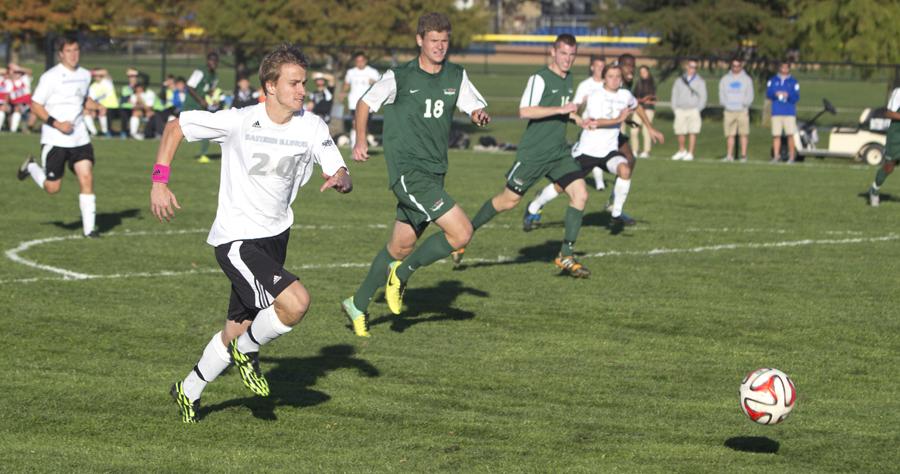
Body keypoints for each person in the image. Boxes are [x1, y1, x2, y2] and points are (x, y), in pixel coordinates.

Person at [151, 44, 353, 423]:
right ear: (270, 86)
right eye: (294, 83)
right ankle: (248, 352)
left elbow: (339, 170)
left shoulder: (311, 126)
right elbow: (175, 126)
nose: (302, 90)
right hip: (236, 239)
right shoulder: (239, 120)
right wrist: (159, 182)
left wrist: (341, 178)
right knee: (295, 303)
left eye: (304, 83)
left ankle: (188, 390)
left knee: (236, 327)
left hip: (275, 237)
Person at [341, 12, 490, 334]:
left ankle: (357, 303)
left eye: (444, 41)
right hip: (409, 172)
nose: (440, 46)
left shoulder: (455, 75)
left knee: (399, 247)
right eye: (433, 40)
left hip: (435, 171)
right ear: (420, 41)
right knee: (461, 233)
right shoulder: (400, 76)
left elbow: (473, 105)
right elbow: (365, 104)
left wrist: (479, 114)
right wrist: (360, 140)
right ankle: (402, 275)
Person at [453, 34, 592, 277]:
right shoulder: (539, 78)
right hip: (534, 154)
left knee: (580, 194)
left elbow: (562, 110)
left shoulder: (568, 78)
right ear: (553, 52)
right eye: (563, 54)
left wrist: (577, 118)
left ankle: (566, 255)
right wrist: (562, 109)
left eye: (572, 55)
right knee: (509, 201)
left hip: (558, 153)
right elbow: (524, 111)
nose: (568, 59)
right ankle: (465, 234)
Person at [524, 65, 663, 229]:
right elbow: (595, 123)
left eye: (618, 76)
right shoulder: (596, 96)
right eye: (611, 76)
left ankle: (616, 214)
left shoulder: (625, 95)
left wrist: (650, 128)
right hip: (587, 151)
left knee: (625, 169)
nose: (615, 79)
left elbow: (636, 106)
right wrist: (619, 119)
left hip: (609, 151)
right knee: (561, 186)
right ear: (604, 79)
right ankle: (533, 206)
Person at [16, 36, 101, 238]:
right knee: (53, 188)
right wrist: (57, 124)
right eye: (69, 51)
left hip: (80, 137)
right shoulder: (50, 77)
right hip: (55, 139)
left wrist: (96, 105)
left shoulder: (84, 75)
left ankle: (89, 230)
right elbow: (36, 105)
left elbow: (82, 98)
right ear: (61, 53)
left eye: (76, 50)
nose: (74, 55)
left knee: (86, 176)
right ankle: (31, 167)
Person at [573, 55, 607, 190]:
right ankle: (598, 183)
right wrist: (583, 102)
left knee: (602, 154)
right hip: (589, 125)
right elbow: (576, 109)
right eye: (598, 66)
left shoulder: (609, 83)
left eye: (603, 67)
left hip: (606, 125)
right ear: (592, 67)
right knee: (591, 154)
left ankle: (601, 183)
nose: (600, 69)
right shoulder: (585, 85)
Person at [867, 85, 900, 207]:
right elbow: (889, 113)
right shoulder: (898, 92)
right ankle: (874, 190)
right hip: (897, 136)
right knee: (889, 167)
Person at [184, 52, 220, 162]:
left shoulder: (215, 76)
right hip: (191, 105)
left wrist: (214, 100)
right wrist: (200, 100)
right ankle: (165, 158)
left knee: (206, 129)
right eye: (211, 60)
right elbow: (189, 86)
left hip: (202, 106)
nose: (213, 62)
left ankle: (203, 155)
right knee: (179, 131)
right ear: (207, 61)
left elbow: (210, 91)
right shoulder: (200, 71)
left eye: (215, 61)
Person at [719, 58, 754, 162]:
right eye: (733, 66)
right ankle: (729, 155)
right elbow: (721, 93)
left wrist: (744, 104)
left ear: (741, 66)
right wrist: (725, 104)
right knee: (730, 134)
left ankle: (743, 156)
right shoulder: (725, 79)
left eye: (738, 66)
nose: (735, 68)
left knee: (744, 133)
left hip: (742, 111)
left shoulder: (747, 79)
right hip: (729, 110)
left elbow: (750, 95)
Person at [671, 59, 706, 161]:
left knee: (693, 131)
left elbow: (703, 97)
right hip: (680, 109)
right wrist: (675, 108)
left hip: (693, 109)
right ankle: (682, 151)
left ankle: (691, 153)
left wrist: (698, 109)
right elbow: (674, 95)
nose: (692, 69)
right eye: (691, 66)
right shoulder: (679, 80)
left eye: (695, 67)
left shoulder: (700, 81)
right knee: (680, 131)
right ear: (686, 67)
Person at [343, 51, 380, 148]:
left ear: (365, 61)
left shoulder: (372, 72)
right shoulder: (351, 72)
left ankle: (363, 144)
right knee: (355, 123)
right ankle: (354, 146)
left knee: (364, 126)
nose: (360, 63)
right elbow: (346, 85)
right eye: (357, 61)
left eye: (361, 61)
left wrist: (374, 82)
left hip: (368, 103)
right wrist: (343, 92)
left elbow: (380, 85)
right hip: (354, 102)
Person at [766, 61, 800, 163]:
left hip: (789, 112)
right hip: (776, 111)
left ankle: (792, 157)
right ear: (779, 68)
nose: (784, 70)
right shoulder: (773, 80)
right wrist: (775, 94)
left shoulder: (793, 82)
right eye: (782, 68)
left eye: (786, 68)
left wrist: (788, 95)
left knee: (790, 135)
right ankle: (776, 156)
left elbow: (796, 97)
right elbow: (768, 93)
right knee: (776, 135)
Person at [632, 65, 657, 158]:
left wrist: (647, 100)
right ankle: (635, 149)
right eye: (641, 72)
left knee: (646, 130)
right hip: (638, 109)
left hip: (648, 109)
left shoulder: (652, 83)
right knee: (633, 131)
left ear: (648, 72)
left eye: (645, 72)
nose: (643, 74)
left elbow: (653, 98)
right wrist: (641, 100)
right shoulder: (638, 83)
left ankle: (646, 151)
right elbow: (634, 97)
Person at [87, 69, 118, 136]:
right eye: (95, 76)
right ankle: (94, 132)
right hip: (100, 106)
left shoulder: (107, 81)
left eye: (99, 75)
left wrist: (91, 72)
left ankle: (105, 132)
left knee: (102, 110)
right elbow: (91, 99)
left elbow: (105, 72)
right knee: (87, 111)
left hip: (112, 106)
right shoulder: (93, 86)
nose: (97, 77)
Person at [8, 64, 35, 133]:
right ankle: (13, 130)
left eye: (18, 73)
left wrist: (18, 68)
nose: (16, 74)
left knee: (34, 111)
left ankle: (28, 129)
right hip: (15, 104)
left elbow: (29, 71)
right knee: (17, 108)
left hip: (27, 103)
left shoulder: (24, 79)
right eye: (15, 72)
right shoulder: (8, 82)